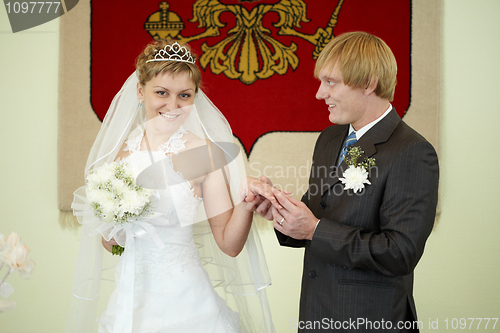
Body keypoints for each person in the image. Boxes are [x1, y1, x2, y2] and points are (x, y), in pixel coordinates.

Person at [65, 40, 277, 333]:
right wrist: (115, 222)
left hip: (188, 301)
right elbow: (111, 243)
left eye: (184, 95)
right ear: (141, 92)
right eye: (161, 93)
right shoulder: (120, 153)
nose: (173, 106)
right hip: (130, 300)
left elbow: (229, 245)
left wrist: (246, 202)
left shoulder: (205, 154)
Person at [249, 31, 439, 332]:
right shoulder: (330, 138)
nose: (319, 93)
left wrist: (314, 229)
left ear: (369, 83)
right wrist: (281, 213)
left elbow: (400, 252)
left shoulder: (412, 151)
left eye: (331, 82)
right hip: (315, 315)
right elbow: (318, 215)